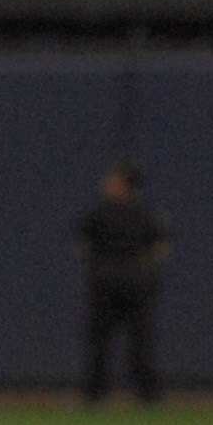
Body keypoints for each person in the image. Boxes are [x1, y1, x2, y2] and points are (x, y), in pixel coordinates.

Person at [77, 160, 168, 404]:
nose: (108, 184)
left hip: (109, 282)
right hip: (132, 283)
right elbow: (160, 248)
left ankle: (96, 395)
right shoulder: (146, 214)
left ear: (124, 185)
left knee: (108, 341)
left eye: (113, 181)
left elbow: (84, 246)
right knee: (134, 341)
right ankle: (146, 395)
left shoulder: (98, 213)